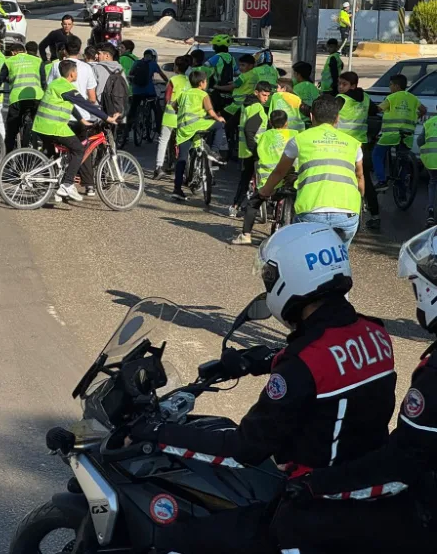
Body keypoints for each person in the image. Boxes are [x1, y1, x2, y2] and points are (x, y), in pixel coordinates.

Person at [129, 222, 397, 554]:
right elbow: (330, 363)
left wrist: (158, 432)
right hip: (362, 487)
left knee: (176, 540)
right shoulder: (374, 333)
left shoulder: (302, 365)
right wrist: (259, 360)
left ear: (296, 276)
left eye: (270, 277)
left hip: (311, 508)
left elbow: (244, 447)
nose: (268, 284)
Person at [278, 225, 437, 554]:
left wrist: (315, 485)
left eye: (416, 286)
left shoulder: (434, 378)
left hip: (424, 514)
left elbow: (402, 464)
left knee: (292, 531)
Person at [259, 95, 365, 245]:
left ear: (311, 116)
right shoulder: (354, 144)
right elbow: (359, 177)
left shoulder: (300, 139)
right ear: (337, 118)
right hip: (347, 214)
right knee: (339, 257)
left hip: (312, 212)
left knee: (306, 256)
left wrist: (265, 191)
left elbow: (279, 172)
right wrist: (360, 200)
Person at [32, 59, 114, 202]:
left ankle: (60, 188)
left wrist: (82, 120)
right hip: (54, 127)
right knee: (78, 150)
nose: (77, 73)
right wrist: (108, 118)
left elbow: (71, 105)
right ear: (72, 73)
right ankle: (67, 184)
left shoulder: (58, 84)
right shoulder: (66, 87)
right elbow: (85, 104)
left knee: (65, 152)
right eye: (76, 71)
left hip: (42, 126)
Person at [231, 110, 295, 245]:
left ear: (270, 122)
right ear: (286, 123)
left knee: (252, 204)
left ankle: (246, 235)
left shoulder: (263, 136)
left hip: (268, 183)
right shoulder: (295, 135)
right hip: (290, 180)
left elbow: (257, 153)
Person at [170, 69, 226, 202]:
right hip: (197, 125)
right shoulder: (203, 95)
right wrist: (219, 118)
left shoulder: (184, 94)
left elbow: (174, 106)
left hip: (183, 128)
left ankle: (177, 189)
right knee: (219, 126)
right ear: (202, 83)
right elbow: (211, 112)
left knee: (182, 159)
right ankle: (214, 151)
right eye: (206, 81)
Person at [336, 71, 381, 229]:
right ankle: (375, 215)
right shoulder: (366, 98)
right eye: (339, 83)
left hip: (342, 146)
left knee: (337, 178)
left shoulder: (341, 100)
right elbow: (375, 111)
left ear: (353, 85)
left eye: (344, 84)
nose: (340, 87)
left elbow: (328, 115)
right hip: (362, 145)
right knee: (365, 180)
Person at [374, 73, 427, 191]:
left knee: (377, 155)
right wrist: (415, 117)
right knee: (403, 161)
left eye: (391, 85)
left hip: (391, 134)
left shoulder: (392, 97)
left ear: (397, 86)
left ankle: (382, 181)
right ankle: (402, 192)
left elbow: (378, 109)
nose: (390, 87)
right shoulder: (412, 98)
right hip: (407, 134)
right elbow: (423, 109)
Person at [229, 80, 273, 219]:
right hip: (253, 149)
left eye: (268, 96)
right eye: (264, 95)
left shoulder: (246, 105)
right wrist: (255, 151)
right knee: (259, 179)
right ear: (256, 92)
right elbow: (250, 131)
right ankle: (245, 207)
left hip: (244, 149)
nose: (266, 98)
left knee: (245, 179)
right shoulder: (257, 108)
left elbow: (233, 122)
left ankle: (235, 206)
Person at [0, 41, 45, 153]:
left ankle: (7, 157)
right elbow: (43, 82)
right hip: (36, 98)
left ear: (13, 53)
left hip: (17, 99)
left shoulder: (10, 61)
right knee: (39, 125)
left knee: (11, 131)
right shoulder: (37, 60)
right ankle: (42, 151)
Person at [48, 35, 99, 122]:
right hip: (82, 116)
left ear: (64, 50)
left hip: (60, 116)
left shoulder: (56, 66)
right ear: (79, 51)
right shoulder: (86, 67)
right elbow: (92, 99)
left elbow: (49, 90)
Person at [155, 55, 190, 179]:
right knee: (182, 142)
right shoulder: (189, 80)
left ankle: (159, 167)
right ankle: (184, 169)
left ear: (176, 67)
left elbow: (167, 98)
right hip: (185, 116)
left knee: (164, 140)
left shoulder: (173, 80)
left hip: (171, 115)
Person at [127, 47, 167, 137]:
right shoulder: (153, 64)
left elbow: (130, 74)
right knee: (156, 110)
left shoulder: (136, 62)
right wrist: (167, 82)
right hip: (149, 92)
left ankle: (127, 129)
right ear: (153, 57)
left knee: (132, 110)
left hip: (136, 91)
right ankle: (158, 129)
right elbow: (162, 75)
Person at [206, 34, 236, 114]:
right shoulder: (232, 58)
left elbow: (204, 67)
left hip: (216, 90)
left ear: (216, 46)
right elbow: (237, 72)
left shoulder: (217, 57)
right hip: (229, 91)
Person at [292, 60, 320, 127]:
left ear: (298, 74)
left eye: (294, 74)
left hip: (299, 122)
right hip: (312, 121)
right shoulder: (314, 88)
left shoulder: (297, 88)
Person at [421, 114, 437, 226]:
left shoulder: (429, 122)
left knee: (433, 182)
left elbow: (419, 141)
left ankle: (431, 212)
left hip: (431, 160)